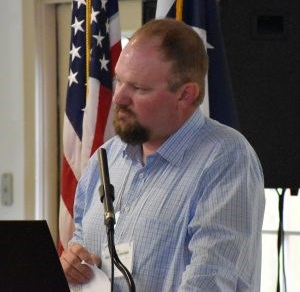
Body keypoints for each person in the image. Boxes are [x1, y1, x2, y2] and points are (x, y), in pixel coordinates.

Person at [60, 18, 265, 291]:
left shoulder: (225, 160)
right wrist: (74, 261)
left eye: (139, 88)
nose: (119, 97)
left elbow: (211, 283)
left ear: (185, 95)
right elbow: (84, 241)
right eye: (119, 80)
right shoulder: (106, 157)